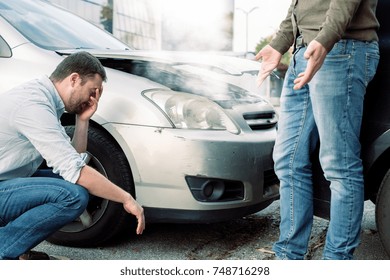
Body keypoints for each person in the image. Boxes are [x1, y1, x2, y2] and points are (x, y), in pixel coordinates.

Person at [255, 0, 380, 259]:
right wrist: (280, 44)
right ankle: (289, 256)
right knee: (287, 160)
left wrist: (326, 39)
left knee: (339, 164)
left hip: (340, 48)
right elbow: (298, 6)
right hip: (304, 52)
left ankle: (335, 262)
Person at [0, 51, 145, 260]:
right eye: (92, 91)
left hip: (7, 181)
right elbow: (75, 171)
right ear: (74, 79)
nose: (92, 98)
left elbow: (73, 159)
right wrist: (127, 198)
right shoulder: (33, 105)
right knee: (73, 196)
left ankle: (17, 250)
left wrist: (83, 120)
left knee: (81, 184)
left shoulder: (44, 99)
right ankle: (5, 248)